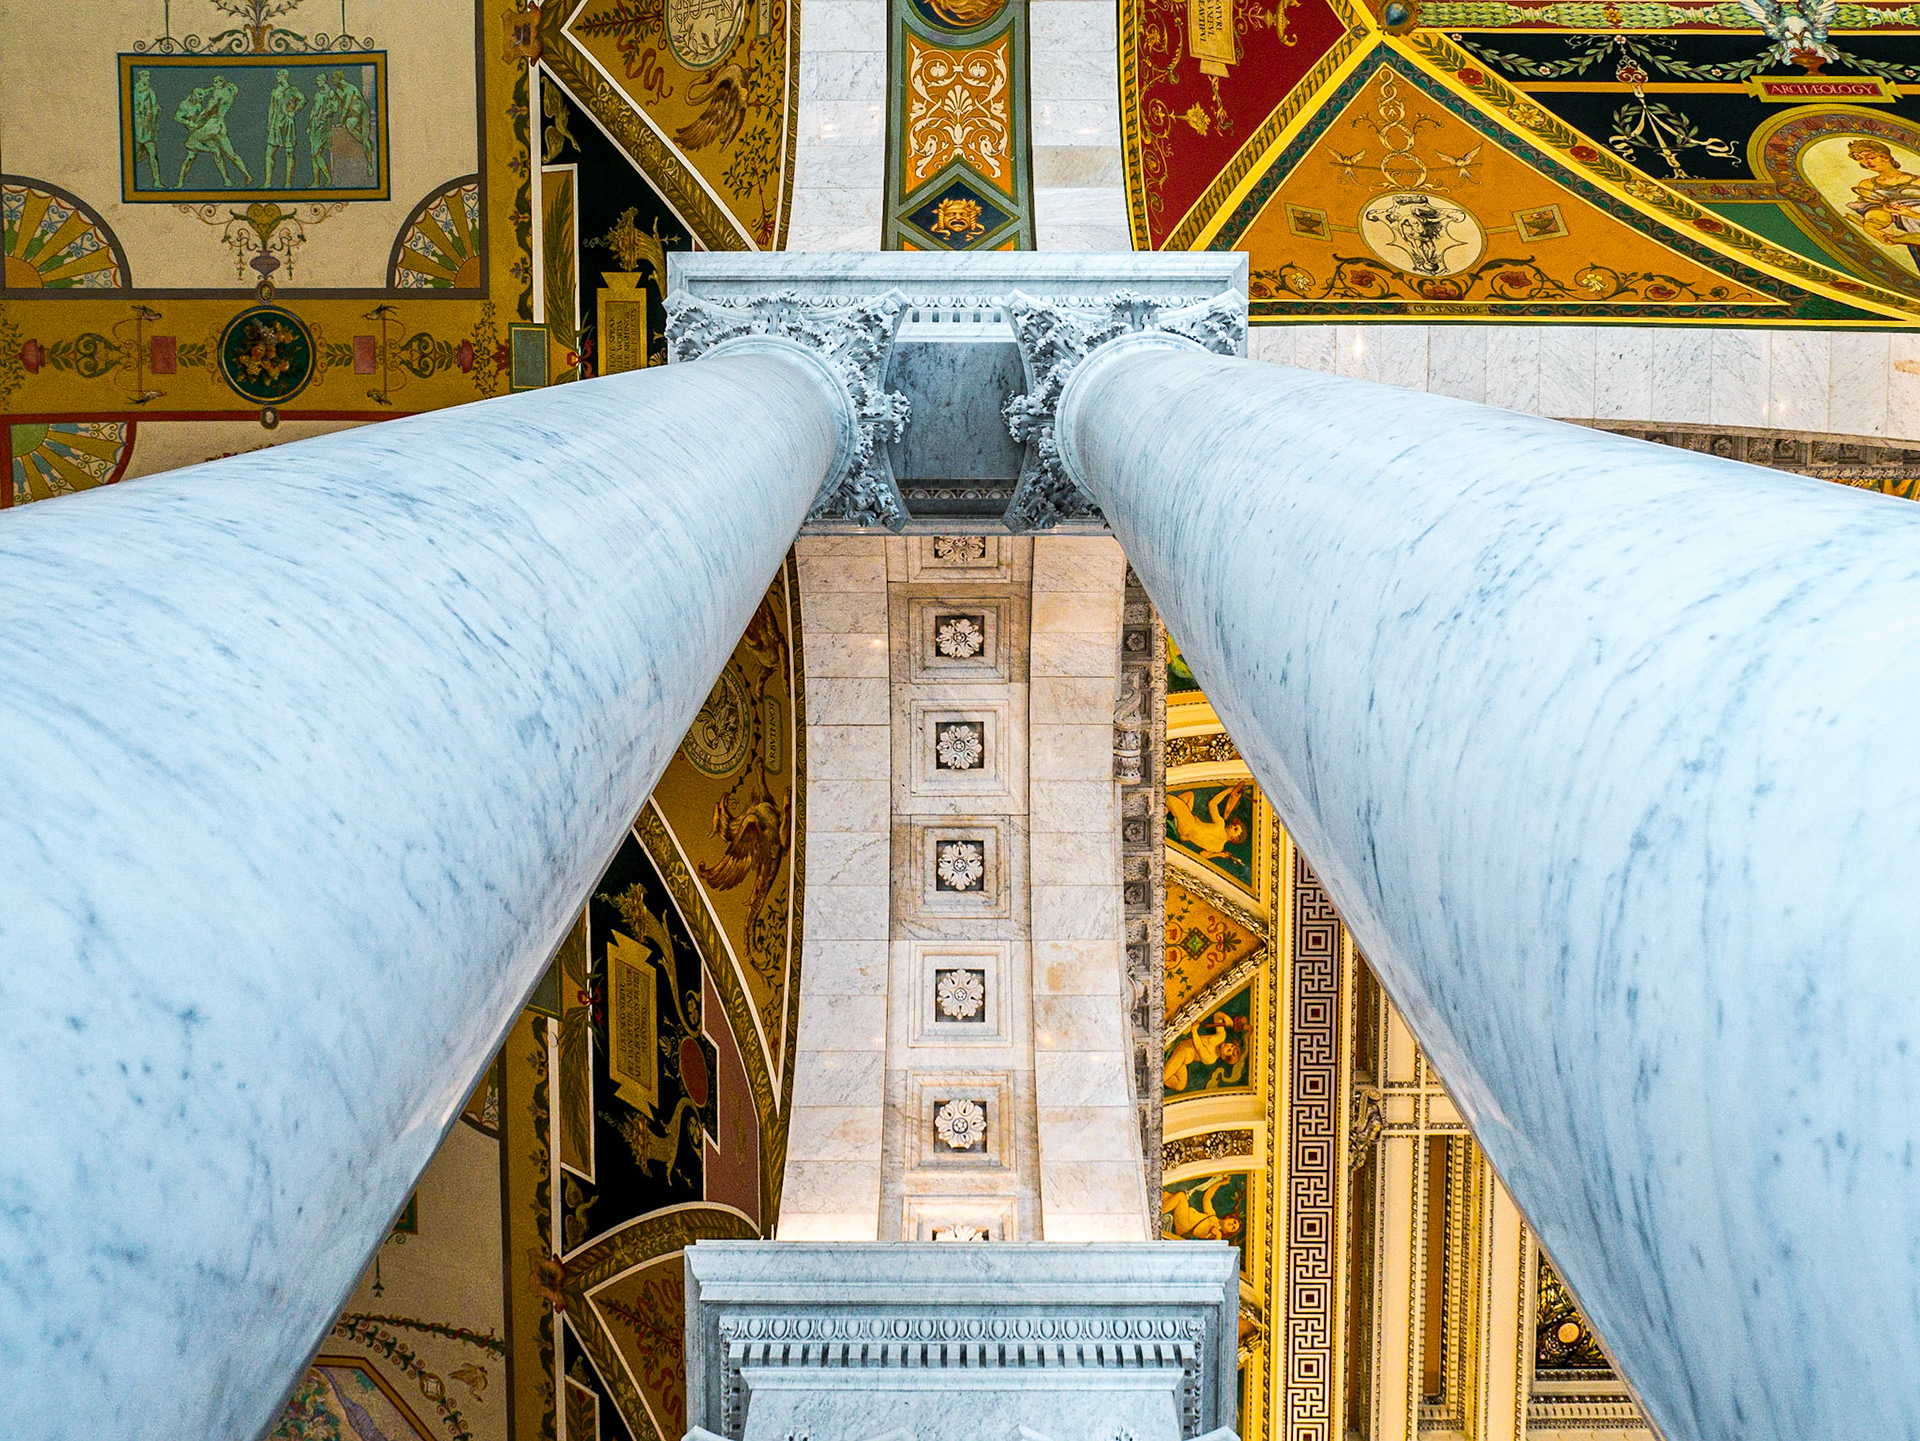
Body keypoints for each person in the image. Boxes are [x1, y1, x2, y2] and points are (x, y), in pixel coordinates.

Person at [1845, 138, 1920, 268]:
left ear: (1885, 157)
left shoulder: (1917, 181)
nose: (1866, 162)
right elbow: (1873, 210)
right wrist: (1872, 228)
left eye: (1870, 157)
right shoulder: (1867, 185)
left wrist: (1911, 213)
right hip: (1904, 225)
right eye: (1860, 159)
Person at [175, 73, 252, 188]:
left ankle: (181, 181)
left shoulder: (217, 94)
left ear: (221, 82)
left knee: (191, 142)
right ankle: (245, 175)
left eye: (216, 82)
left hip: (211, 126)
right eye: (214, 82)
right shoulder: (229, 91)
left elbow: (207, 110)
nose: (214, 84)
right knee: (230, 154)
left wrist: (196, 121)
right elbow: (210, 91)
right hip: (220, 125)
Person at [1163, 1009, 1248, 1091]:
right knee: (1163, 1076)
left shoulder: (1211, 1059)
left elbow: (1199, 1047)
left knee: (1180, 1086)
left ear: (1224, 1057)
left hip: (1183, 1061)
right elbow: (1217, 1017)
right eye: (1232, 1046)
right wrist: (1225, 1017)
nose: (1228, 1046)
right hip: (1183, 1050)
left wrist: (1194, 1030)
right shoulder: (1221, 1036)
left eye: (1228, 1050)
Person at [1166, 781, 1249, 863]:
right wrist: (1219, 854)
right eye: (1235, 825)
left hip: (1188, 824)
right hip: (1186, 830)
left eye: (1235, 829)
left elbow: (1213, 803)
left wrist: (1228, 790)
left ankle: (1166, 811)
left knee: (1167, 798)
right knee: (1189, 795)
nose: (1232, 826)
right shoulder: (1219, 848)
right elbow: (1203, 854)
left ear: (1234, 839)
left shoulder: (1220, 824)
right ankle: (1169, 812)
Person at [1162, 1176, 1243, 1242]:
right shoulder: (1213, 1217)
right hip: (1183, 1220)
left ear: (1227, 1232)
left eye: (1233, 1228)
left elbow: (1214, 1249)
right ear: (1229, 1217)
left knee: (1181, 1196)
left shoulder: (1218, 1234)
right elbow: (1207, 1198)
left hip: (1185, 1228)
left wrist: (1217, 1236)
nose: (1232, 1224)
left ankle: (1157, 1212)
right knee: (1166, 1195)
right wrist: (1219, 1183)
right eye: (1234, 1222)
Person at [264, 69, 305, 188]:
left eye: (279, 75)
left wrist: (294, 111)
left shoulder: (292, 90)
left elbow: (303, 99)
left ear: (284, 76)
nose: (277, 77)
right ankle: (268, 182)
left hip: (287, 122)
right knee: (269, 153)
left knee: (289, 152)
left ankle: (288, 183)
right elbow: (271, 107)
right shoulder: (275, 91)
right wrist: (269, 123)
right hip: (276, 123)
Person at [133, 70, 165, 189]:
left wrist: (156, 111)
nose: (147, 78)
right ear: (140, 77)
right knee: (135, 155)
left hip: (147, 127)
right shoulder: (134, 91)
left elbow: (154, 106)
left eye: (148, 76)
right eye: (145, 76)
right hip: (137, 126)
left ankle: (157, 181)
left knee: (153, 154)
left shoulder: (150, 92)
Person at [306, 71, 337, 186]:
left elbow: (335, 108)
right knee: (313, 154)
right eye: (317, 81)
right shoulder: (317, 95)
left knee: (317, 153)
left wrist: (324, 115)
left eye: (319, 80)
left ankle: (328, 178)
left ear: (324, 81)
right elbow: (314, 110)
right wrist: (310, 124)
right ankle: (316, 181)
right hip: (315, 125)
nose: (317, 82)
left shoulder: (331, 93)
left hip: (324, 125)